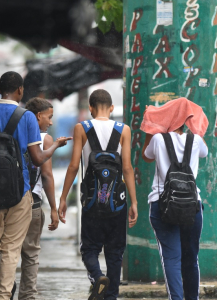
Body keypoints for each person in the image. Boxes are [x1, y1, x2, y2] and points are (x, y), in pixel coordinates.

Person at [0, 71, 70, 300]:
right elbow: (37, 159)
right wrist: (54, 148)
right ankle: (3, 296)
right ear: (20, 90)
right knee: (12, 248)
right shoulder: (27, 117)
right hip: (19, 191)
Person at [59, 89, 138, 300]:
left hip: (92, 202)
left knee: (89, 250)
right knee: (115, 253)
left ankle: (97, 276)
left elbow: (74, 166)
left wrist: (63, 197)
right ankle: (110, 296)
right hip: (117, 203)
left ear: (90, 109)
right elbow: (128, 168)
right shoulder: (124, 130)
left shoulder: (81, 128)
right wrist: (134, 202)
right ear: (111, 108)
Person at [141, 121, 208, 300]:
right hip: (192, 206)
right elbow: (205, 152)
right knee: (191, 259)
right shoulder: (196, 140)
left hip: (162, 205)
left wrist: (150, 127)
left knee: (171, 258)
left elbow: (146, 156)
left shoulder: (157, 139)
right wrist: (196, 128)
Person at [12, 97, 59, 300]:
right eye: (49, 117)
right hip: (33, 203)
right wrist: (55, 209)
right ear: (38, 116)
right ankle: (27, 296)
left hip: (11, 201)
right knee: (30, 254)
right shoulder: (44, 138)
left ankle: (4, 288)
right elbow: (47, 176)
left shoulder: (15, 132)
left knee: (8, 250)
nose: (50, 122)